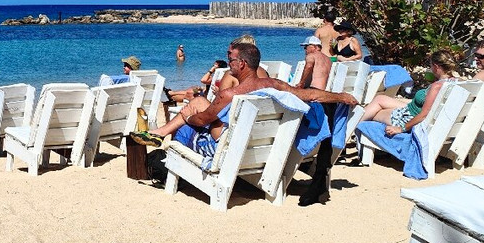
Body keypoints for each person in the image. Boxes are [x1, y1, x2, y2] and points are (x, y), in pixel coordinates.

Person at [131, 43, 357, 149]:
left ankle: (161, 135)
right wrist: (341, 96)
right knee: (199, 101)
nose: (229, 63)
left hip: (228, 147)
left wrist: (187, 114)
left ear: (242, 64)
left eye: (231, 61)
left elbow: (202, 121)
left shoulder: (230, 93)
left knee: (195, 108)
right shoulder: (274, 85)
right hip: (261, 145)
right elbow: (309, 94)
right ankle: (159, 133)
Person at [359, 50, 460, 136]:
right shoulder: (457, 82)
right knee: (380, 99)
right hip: (414, 109)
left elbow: (424, 114)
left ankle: (349, 129)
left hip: (410, 118)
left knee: (374, 113)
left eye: (430, 65)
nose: (430, 68)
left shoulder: (436, 86)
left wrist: (401, 128)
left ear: (436, 66)